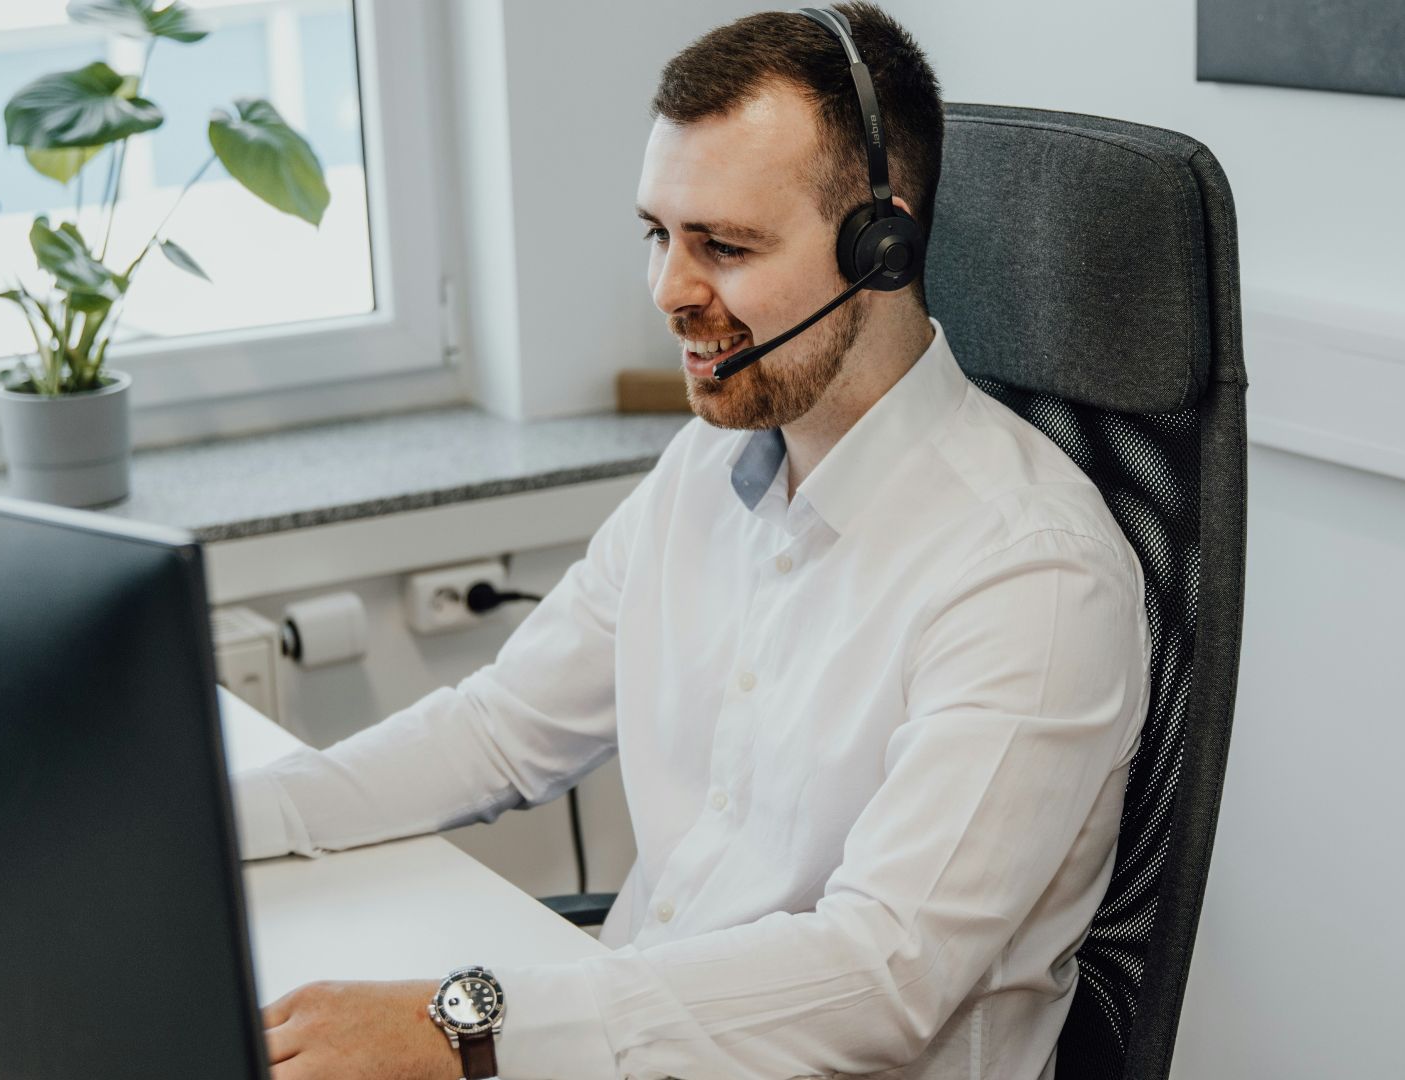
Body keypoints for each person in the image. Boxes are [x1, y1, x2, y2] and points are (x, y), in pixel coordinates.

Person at [239, 5, 1150, 1078]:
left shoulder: (1029, 572)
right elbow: (501, 731)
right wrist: (219, 826)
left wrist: (465, 1029)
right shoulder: (705, 471)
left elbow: (885, 975)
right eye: (658, 235)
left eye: (724, 245)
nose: (670, 291)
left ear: (883, 246)